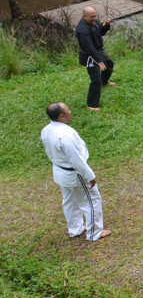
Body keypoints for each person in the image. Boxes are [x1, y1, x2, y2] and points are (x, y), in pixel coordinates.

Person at [40, 102, 112, 241]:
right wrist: (90, 176)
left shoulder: (46, 130)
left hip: (60, 171)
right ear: (62, 116)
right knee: (92, 201)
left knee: (70, 201)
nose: (70, 112)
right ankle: (94, 232)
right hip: (75, 173)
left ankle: (75, 229)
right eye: (68, 110)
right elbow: (76, 160)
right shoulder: (65, 135)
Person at [76, 6, 115, 111]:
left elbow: (101, 32)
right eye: (91, 17)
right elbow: (89, 48)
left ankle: (105, 82)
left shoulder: (93, 22)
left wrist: (106, 25)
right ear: (84, 16)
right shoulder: (82, 30)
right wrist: (99, 61)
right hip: (89, 56)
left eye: (95, 16)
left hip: (98, 51)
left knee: (110, 64)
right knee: (95, 80)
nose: (94, 19)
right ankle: (92, 104)